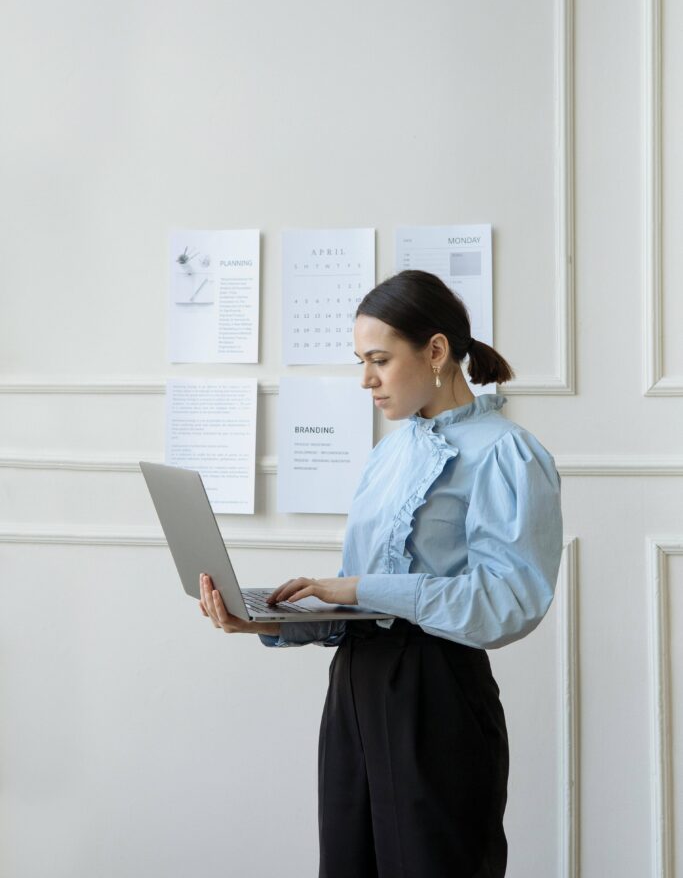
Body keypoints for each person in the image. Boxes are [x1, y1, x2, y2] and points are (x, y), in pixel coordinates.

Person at [199, 269, 564, 878]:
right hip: (354, 692)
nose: (366, 379)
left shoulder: (508, 453)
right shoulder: (390, 453)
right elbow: (358, 606)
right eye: (360, 361)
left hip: (438, 695)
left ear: (437, 351)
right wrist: (266, 620)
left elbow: (511, 599)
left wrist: (361, 587)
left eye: (379, 360)